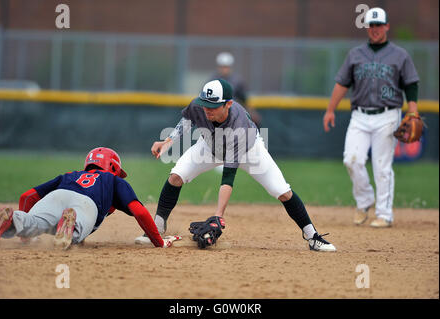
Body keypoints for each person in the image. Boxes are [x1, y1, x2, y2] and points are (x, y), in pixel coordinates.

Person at [136, 78, 336, 252]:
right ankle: (157, 229)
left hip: (250, 151)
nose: (207, 110)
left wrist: (218, 216)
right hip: (209, 146)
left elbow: (228, 178)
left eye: (213, 107)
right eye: (205, 104)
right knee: (176, 176)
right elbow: (187, 121)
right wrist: (167, 142)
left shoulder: (238, 126)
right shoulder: (200, 106)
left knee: (282, 191)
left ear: (228, 104)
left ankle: (313, 237)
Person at [323, 7, 420, 228]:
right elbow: (342, 84)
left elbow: (411, 85)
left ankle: (384, 214)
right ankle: (365, 200)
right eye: (371, 25)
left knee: (382, 166)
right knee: (351, 159)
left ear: (386, 26)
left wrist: (412, 111)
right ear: (367, 28)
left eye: (379, 25)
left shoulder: (400, 55)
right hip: (360, 115)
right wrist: (330, 110)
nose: (375, 29)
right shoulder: (356, 54)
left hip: (387, 115)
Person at [0, 147, 180, 249]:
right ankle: (71, 226)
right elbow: (139, 211)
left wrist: (26, 235)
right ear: (113, 167)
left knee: (33, 222)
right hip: (86, 203)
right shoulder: (112, 179)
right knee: (76, 233)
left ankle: (13, 219)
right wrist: (159, 241)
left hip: (58, 195)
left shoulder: (70, 175)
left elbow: (28, 196)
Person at [210, 52, 261, 127]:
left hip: (234, 111)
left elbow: (244, 99)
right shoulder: (212, 81)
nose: (225, 69)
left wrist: (251, 111)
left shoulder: (237, 80)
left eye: (226, 67)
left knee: (254, 120)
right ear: (219, 67)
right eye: (223, 67)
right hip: (217, 111)